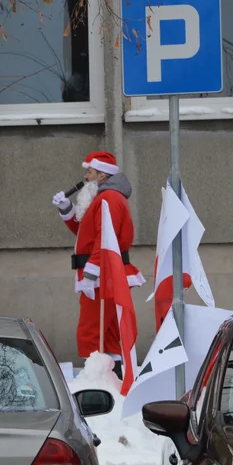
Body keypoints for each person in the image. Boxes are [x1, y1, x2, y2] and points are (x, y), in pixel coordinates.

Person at [51, 151, 144, 378]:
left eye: (89, 172)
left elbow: (105, 239)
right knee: (108, 333)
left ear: (101, 175)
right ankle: (115, 377)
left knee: (91, 330)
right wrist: (66, 208)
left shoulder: (108, 199)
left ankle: (93, 381)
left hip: (102, 275)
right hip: (105, 272)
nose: (85, 176)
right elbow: (85, 233)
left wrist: (92, 274)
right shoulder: (103, 198)